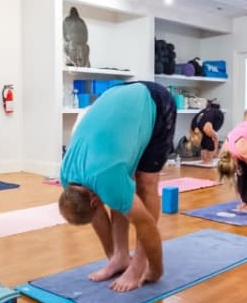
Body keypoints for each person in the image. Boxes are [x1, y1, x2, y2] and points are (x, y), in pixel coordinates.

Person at [58, 81, 176, 292]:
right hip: (116, 95)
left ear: (94, 200)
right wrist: (113, 257)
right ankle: (119, 257)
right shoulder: (66, 175)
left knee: (145, 184)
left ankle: (138, 263)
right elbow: (98, 212)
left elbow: (146, 225)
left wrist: (155, 270)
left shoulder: (105, 178)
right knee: (116, 190)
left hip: (156, 101)